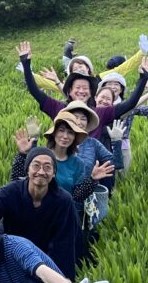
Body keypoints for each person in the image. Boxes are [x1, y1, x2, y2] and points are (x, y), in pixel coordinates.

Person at [10, 106, 118, 265]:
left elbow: (77, 196)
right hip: (35, 211)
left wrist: (93, 179)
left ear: (75, 137)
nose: (65, 136)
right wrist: (21, 155)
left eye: (70, 132)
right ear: (54, 132)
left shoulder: (77, 163)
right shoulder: (40, 154)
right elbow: (17, 181)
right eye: (61, 130)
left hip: (61, 215)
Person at [17, 40, 148, 146]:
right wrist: (26, 65)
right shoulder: (58, 108)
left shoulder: (98, 113)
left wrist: (143, 79)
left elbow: (129, 104)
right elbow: (35, 91)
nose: (81, 91)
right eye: (77, 88)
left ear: (92, 92)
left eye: (85, 88)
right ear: (69, 91)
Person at [0, 148, 79, 282]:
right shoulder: (10, 191)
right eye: (36, 166)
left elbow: (64, 244)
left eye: (47, 167)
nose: (41, 172)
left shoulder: (64, 201)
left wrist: (64, 282)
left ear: (53, 173)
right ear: (27, 170)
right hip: (13, 249)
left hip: (45, 254)